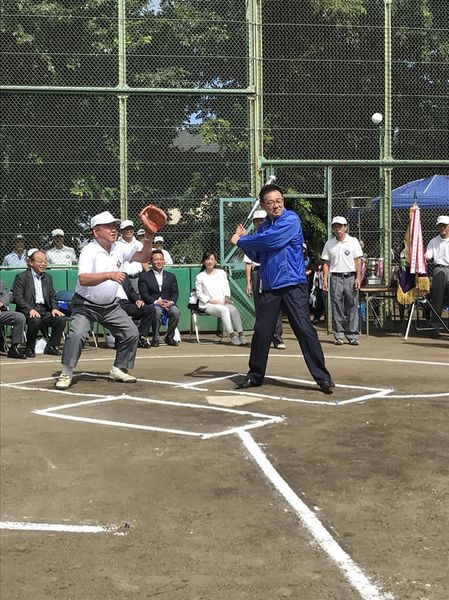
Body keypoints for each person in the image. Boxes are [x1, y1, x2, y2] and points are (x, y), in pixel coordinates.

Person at [231, 183, 334, 393]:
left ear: (283, 201)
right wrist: (242, 244)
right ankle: (255, 375)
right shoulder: (263, 227)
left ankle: (322, 377)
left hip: (292, 284)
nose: (276, 206)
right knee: (262, 331)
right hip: (270, 285)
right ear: (263, 205)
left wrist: (244, 240)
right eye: (270, 203)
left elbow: (271, 242)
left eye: (278, 201)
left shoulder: (291, 220)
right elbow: (259, 255)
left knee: (304, 329)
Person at [54, 210, 156, 389]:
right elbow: (83, 279)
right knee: (77, 335)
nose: (114, 230)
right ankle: (66, 372)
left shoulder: (119, 247)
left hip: (110, 306)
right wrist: (109, 274)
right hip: (85, 304)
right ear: (96, 231)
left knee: (131, 333)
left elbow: (144, 257)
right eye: (108, 227)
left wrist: (149, 235)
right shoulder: (89, 250)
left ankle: (118, 368)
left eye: (114, 226)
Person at [12, 250, 66, 357]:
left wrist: (54, 308)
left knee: (60, 319)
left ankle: (51, 346)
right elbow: (18, 297)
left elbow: (52, 296)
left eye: (45, 261)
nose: (43, 264)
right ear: (31, 263)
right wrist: (29, 309)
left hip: (44, 309)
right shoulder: (21, 277)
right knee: (35, 320)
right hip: (28, 310)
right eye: (40, 261)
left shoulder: (48, 277)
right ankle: (30, 348)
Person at [244, 209, 285, 349]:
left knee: (275, 304)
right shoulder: (252, 238)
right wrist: (248, 281)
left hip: (271, 272)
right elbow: (248, 262)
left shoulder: (273, 235)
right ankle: (262, 339)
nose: (259, 223)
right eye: (257, 221)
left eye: (262, 220)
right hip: (257, 272)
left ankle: (277, 338)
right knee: (260, 306)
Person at [321, 216, 363, 346]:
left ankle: (351, 334)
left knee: (352, 305)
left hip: (350, 276)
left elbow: (358, 260)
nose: (338, 229)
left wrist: (357, 277)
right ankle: (338, 335)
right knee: (336, 305)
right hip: (335, 277)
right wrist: (325, 279)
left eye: (340, 226)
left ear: (346, 227)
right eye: (335, 226)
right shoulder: (329, 243)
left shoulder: (353, 241)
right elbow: (326, 262)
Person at [195, 251, 247, 346]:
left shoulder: (221, 273)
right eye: (207, 259)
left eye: (212, 259)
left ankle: (241, 334)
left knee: (234, 310)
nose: (210, 262)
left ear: (215, 261)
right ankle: (231, 334)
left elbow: (226, 287)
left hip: (223, 302)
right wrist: (210, 300)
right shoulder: (200, 276)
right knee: (224, 310)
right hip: (208, 305)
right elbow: (199, 293)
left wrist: (227, 297)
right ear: (203, 262)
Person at [138, 249, 180, 347]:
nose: (159, 262)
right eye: (156, 260)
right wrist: (157, 302)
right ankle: (155, 338)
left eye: (161, 259)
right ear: (151, 261)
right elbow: (144, 294)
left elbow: (175, 292)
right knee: (156, 311)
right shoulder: (144, 276)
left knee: (176, 312)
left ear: (164, 261)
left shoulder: (171, 276)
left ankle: (169, 337)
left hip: (168, 304)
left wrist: (171, 302)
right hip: (153, 304)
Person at [116, 274, 155, 348]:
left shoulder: (124, 275)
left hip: (126, 303)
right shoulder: (105, 276)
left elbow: (131, 290)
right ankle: (120, 340)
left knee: (150, 309)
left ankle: (141, 337)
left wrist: (137, 300)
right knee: (119, 311)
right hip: (114, 304)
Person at [425, 215, 449, 334]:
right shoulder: (434, 241)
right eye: (440, 226)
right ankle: (435, 327)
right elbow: (427, 256)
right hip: (439, 269)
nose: (442, 228)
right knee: (437, 299)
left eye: (444, 225)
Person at [0, 278, 27, 358]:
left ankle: (14, 348)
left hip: (1, 312)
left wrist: (1, 303)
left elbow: (6, 297)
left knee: (19, 317)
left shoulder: (1, 282)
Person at [118, 219, 147, 292]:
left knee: (139, 300)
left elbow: (143, 262)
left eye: (130, 229)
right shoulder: (116, 245)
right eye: (125, 229)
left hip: (138, 277)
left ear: (133, 230)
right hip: (123, 279)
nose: (128, 231)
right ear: (121, 231)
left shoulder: (139, 244)